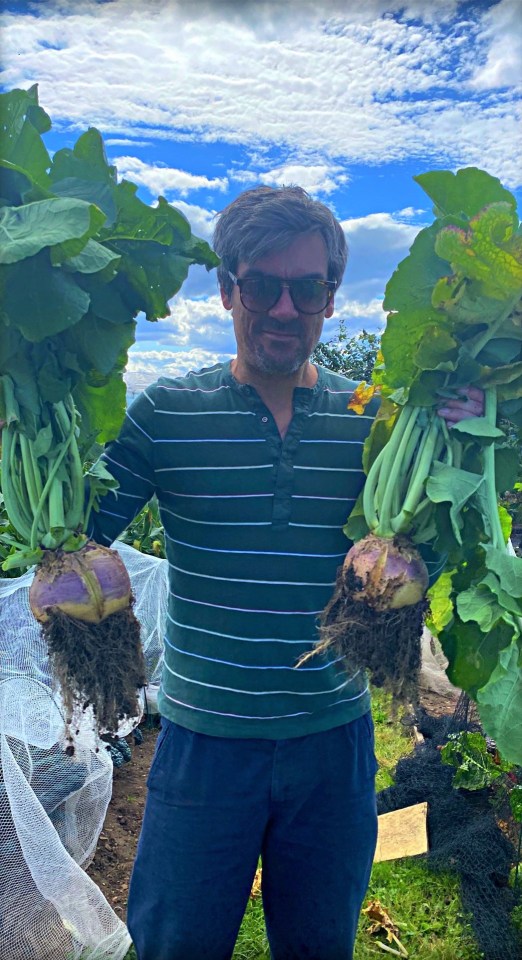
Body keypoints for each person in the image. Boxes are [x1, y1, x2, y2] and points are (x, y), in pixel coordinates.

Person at [90, 186, 483, 960]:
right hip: (205, 747)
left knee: (317, 945)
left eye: (306, 289)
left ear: (331, 299)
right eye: (261, 285)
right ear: (227, 288)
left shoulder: (377, 415)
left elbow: (420, 547)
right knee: (174, 944)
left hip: (332, 748)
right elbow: (77, 531)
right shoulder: (166, 411)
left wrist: (464, 450)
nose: (282, 308)